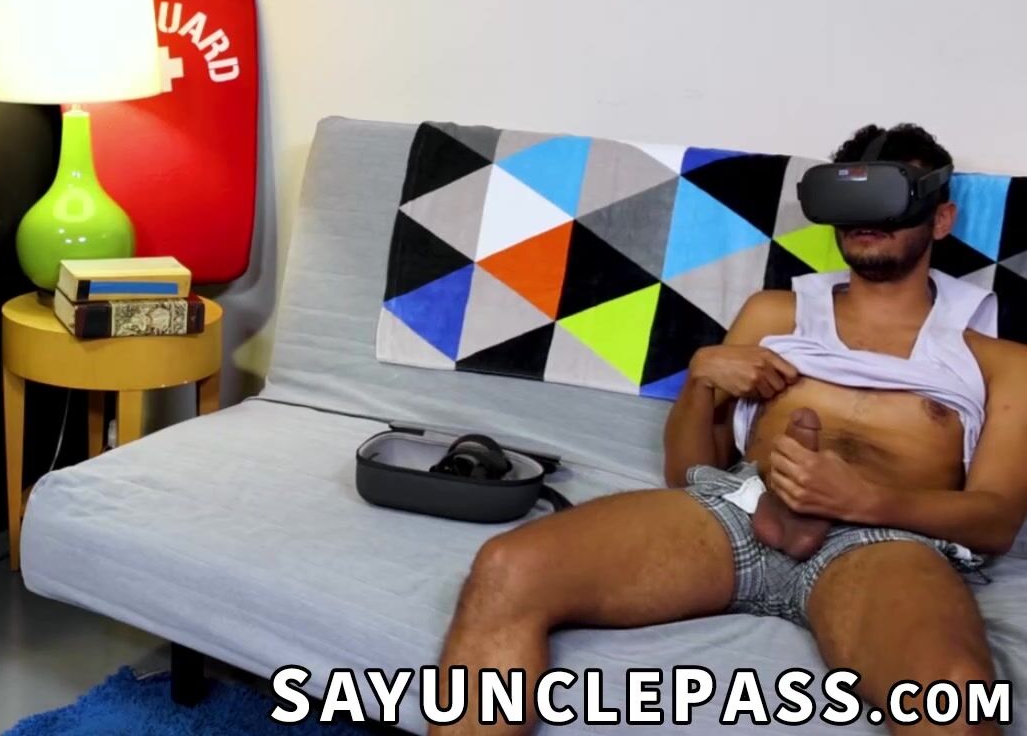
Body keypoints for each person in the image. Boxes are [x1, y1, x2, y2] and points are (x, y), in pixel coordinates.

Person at [433, 124, 1027, 736]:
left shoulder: (999, 361)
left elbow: (997, 521)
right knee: (507, 568)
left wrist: (864, 500)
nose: (866, 218)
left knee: (953, 695)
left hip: (884, 544)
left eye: (889, 199)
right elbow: (688, 474)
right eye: (850, 198)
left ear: (941, 219)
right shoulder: (773, 314)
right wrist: (700, 379)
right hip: (739, 509)